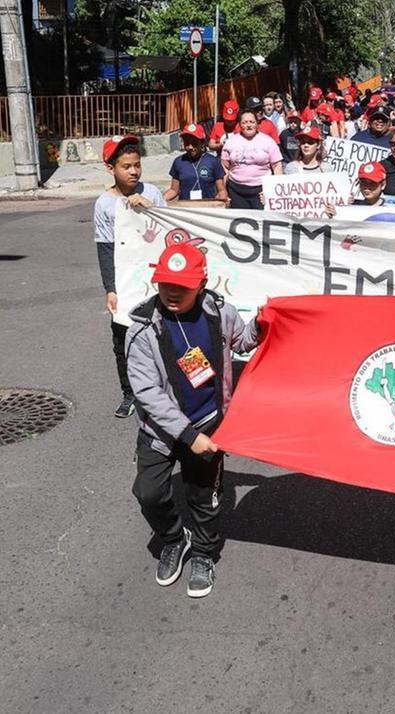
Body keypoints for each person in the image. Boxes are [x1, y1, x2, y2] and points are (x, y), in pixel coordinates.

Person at [126, 242, 260, 598]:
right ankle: (173, 538)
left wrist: (261, 324)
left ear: (201, 284)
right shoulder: (141, 329)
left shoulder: (221, 312)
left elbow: (243, 342)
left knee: (204, 498)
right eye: (165, 283)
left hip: (209, 422)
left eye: (182, 285)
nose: (172, 291)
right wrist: (187, 435)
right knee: (149, 492)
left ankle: (203, 553)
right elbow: (148, 393)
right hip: (162, 432)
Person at [93, 135, 166, 418]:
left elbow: (171, 231)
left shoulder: (153, 193)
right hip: (125, 282)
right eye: (126, 166)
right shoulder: (104, 204)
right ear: (111, 168)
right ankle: (129, 393)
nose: (134, 171)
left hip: (154, 279)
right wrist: (110, 289)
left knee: (161, 335)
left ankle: (162, 388)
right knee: (122, 340)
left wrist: (150, 207)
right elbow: (104, 248)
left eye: (137, 165)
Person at [221, 110, 283, 210]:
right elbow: (224, 168)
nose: (248, 125)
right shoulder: (230, 142)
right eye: (244, 122)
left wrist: (272, 191)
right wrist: (224, 192)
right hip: (236, 191)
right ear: (239, 125)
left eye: (252, 122)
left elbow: (277, 167)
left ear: (257, 123)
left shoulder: (268, 141)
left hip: (261, 190)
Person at [163, 124, 226, 202]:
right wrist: (160, 200)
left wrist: (223, 202)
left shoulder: (213, 161)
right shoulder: (178, 162)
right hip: (185, 209)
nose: (190, 147)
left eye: (194, 143)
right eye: (186, 143)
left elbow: (221, 190)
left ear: (202, 142)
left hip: (207, 208)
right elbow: (173, 190)